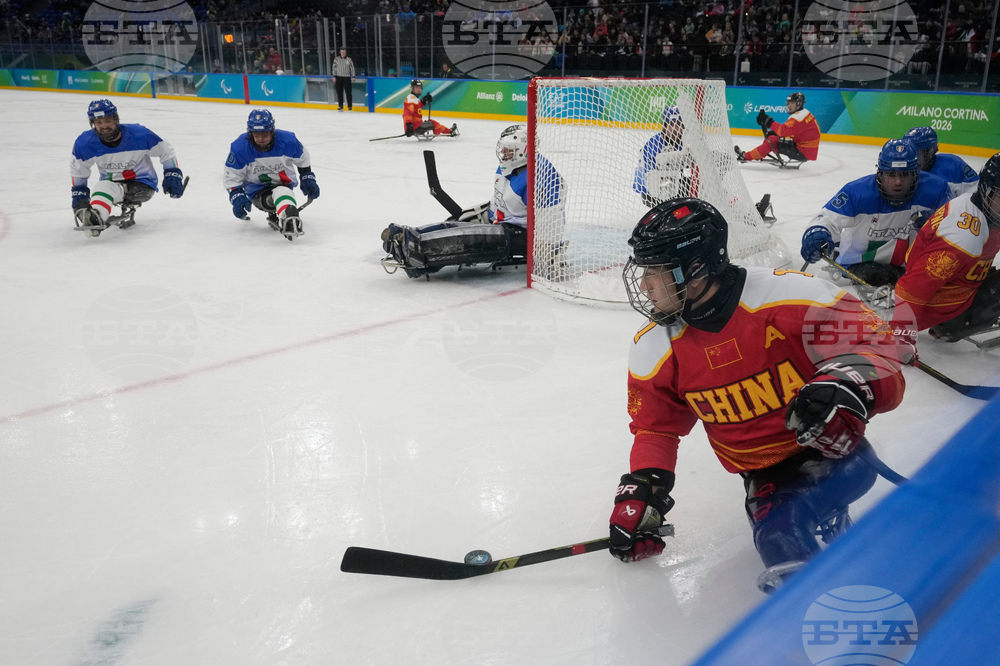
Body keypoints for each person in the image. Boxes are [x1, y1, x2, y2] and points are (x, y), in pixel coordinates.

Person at [607, 197, 907, 593]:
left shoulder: (795, 298)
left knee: (778, 539)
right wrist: (644, 491)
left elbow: (886, 359)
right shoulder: (654, 345)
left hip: (837, 453)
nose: (644, 283)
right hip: (763, 475)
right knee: (779, 532)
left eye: (655, 271)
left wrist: (846, 383)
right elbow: (656, 430)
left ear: (694, 271)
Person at [381, 124, 563, 278]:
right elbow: (501, 201)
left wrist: (550, 251)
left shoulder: (541, 176)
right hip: (503, 222)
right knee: (456, 225)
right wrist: (482, 215)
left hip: (522, 236)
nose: (504, 154)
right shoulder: (510, 166)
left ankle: (417, 250)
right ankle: (410, 235)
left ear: (524, 151)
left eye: (510, 151)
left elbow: (552, 221)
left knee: (469, 239)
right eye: (504, 149)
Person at [800, 138, 952, 287]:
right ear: (880, 174)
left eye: (904, 174)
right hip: (860, 265)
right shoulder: (857, 193)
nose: (898, 181)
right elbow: (826, 219)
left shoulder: (935, 190)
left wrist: (937, 224)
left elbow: (957, 225)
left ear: (916, 175)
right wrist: (816, 233)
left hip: (911, 270)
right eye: (891, 174)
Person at [893, 153, 1000, 342]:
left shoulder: (983, 207)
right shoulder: (964, 240)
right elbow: (911, 290)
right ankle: (949, 327)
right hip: (946, 308)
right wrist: (902, 337)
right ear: (985, 189)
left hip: (959, 282)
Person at [70, 99, 185, 237]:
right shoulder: (84, 143)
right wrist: (79, 194)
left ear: (116, 119)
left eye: (107, 121)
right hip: (112, 185)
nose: (104, 126)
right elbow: (78, 171)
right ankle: (93, 216)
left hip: (143, 185)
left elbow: (166, 151)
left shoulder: (139, 135)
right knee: (103, 187)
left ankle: (96, 217)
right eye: (98, 122)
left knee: (104, 187)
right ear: (93, 124)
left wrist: (172, 174)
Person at [223, 109, 320, 241]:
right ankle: (285, 211)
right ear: (250, 133)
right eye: (257, 135)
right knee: (268, 201)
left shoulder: (288, 140)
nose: (261, 139)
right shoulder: (240, 148)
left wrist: (307, 178)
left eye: (265, 134)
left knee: (282, 193)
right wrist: (236, 196)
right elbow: (231, 176)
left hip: (283, 183)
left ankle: (288, 214)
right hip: (256, 188)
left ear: (272, 131)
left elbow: (303, 158)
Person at [633, 106, 693, 208]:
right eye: (671, 125)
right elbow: (650, 175)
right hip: (652, 192)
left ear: (683, 126)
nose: (674, 129)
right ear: (664, 126)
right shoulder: (653, 144)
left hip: (675, 184)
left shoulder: (688, 140)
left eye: (678, 124)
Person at [734, 92, 820, 164]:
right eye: (789, 103)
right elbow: (792, 131)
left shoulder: (798, 117)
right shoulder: (804, 113)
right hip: (807, 149)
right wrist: (773, 128)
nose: (789, 106)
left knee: (771, 141)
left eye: (792, 103)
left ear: (799, 104)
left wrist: (768, 121)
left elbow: (783, 131)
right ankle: (758, 153)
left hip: (804, 151)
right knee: (773, 136)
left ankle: (745, 156)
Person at [904, 126, 979, 197]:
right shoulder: (900, 172)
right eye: (910, 153)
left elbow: (975, 192)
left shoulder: (954, 165)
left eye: (918, 153)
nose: (913, 158)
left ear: (930, 152)